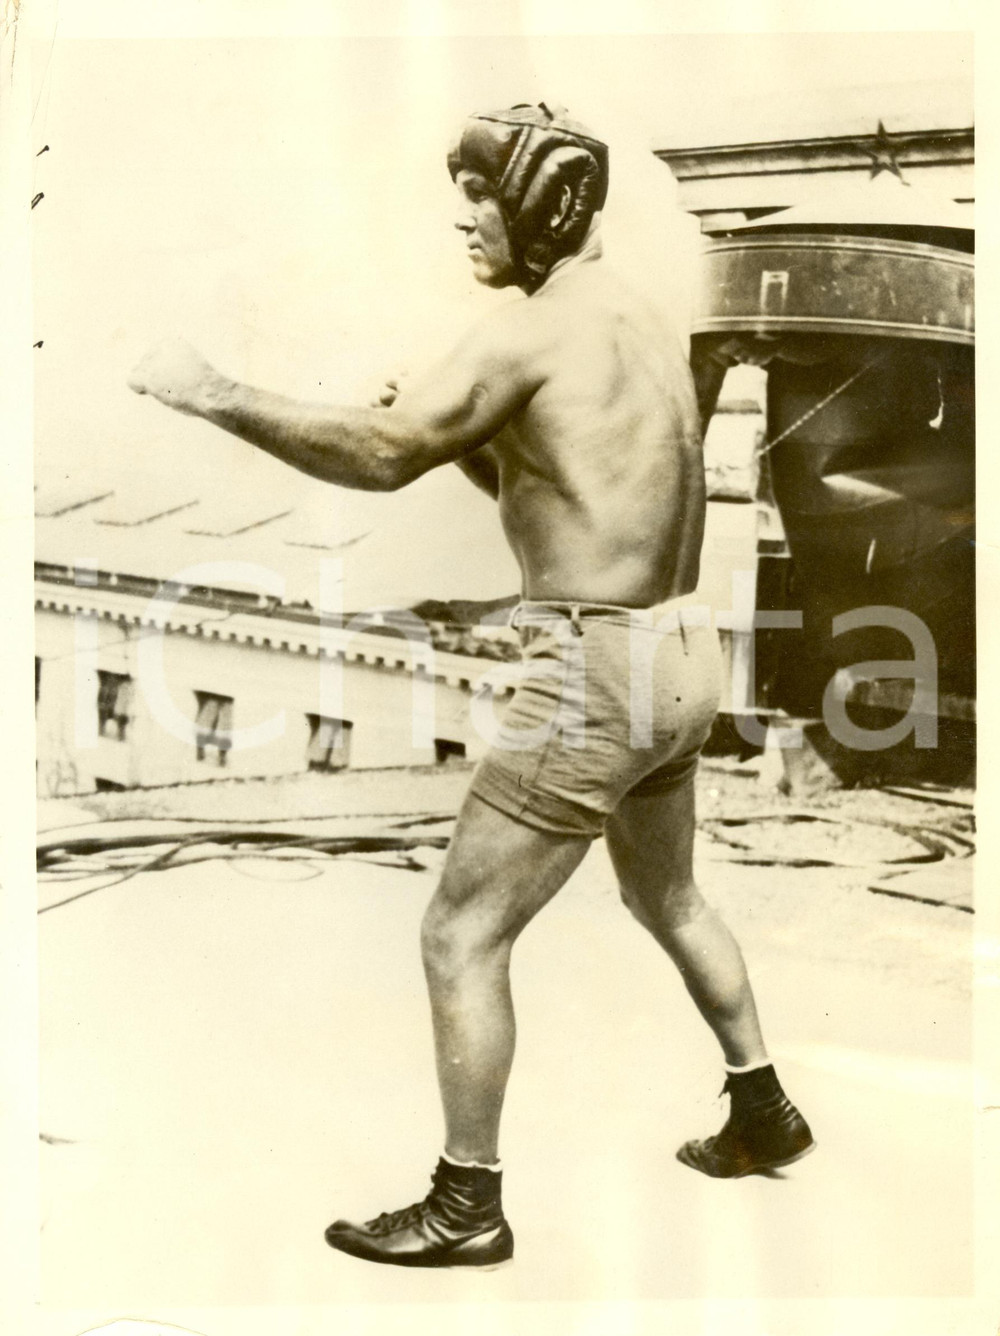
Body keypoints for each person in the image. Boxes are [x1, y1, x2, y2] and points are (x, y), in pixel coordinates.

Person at [128, 101, 814, 1270]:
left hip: (594, 667)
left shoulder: (523, 335)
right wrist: (470, 440)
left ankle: (466, 1204)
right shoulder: (639, 319)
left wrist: (213, 393)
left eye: (479, 195)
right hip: (681, 655)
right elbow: (581, 484)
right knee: (668, 898)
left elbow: (382, 457)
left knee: (460, 933)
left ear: (542, 206)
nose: (463, 218)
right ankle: (763, 1111)